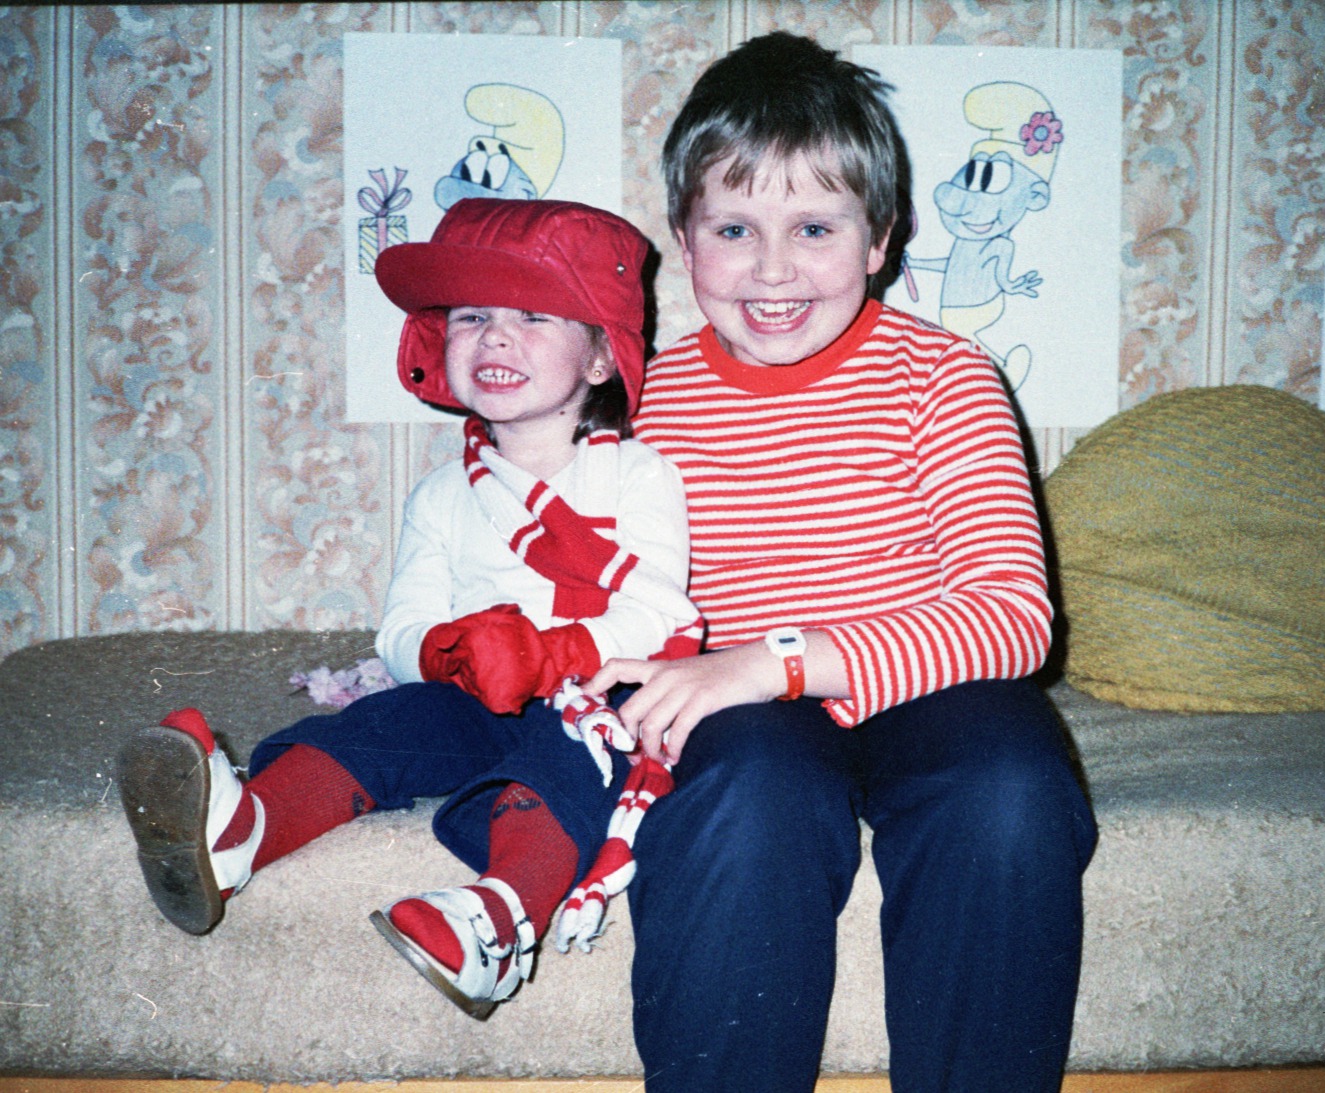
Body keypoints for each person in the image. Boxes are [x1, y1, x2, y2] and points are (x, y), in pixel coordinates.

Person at [584, 32, 1099, 1092]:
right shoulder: (648, 402)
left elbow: (1013, 618)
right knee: (746, 798)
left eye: (814, 228)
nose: (773, 270)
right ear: (684, 242)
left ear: (879, 240)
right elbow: (591, 583)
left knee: (1009, 788)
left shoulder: (945, 376)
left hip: (930, 687)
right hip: (746, 717)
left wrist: (779, 658)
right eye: (735, 228)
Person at [117, 198, 700, 1020]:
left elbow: (660, 613)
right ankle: (243, 830)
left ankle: (501, 917)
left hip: (596, 695)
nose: (495, 337)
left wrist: (548, 654)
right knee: (383, 722)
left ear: (603, 355)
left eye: (533, 315)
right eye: (471, 317)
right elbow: (399, 629)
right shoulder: (439, 495)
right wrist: (445, 651)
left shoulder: (641, 475)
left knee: (564, 756)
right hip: (473, 699)